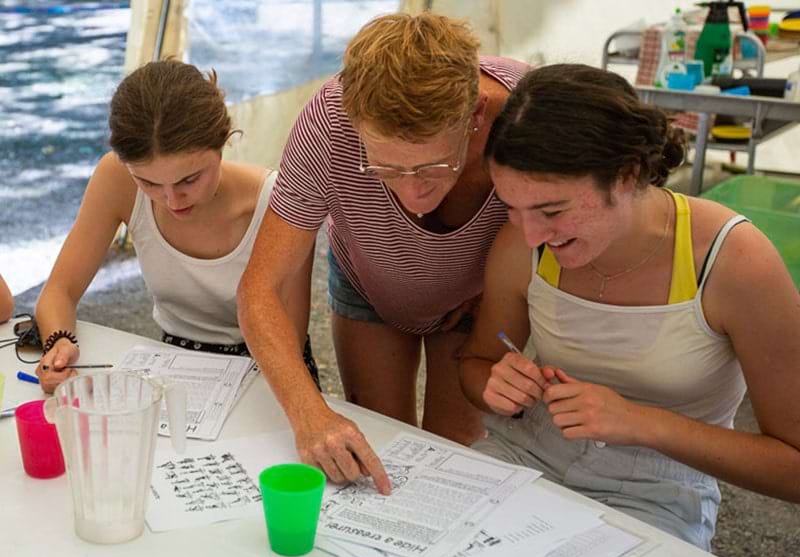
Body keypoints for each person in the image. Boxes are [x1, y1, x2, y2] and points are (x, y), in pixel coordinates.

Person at [459, 64, 800, 549]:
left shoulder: (732, 260)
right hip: (524, 456)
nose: (531, 234)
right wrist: (495, 386)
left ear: (627, 174)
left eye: (553, 211)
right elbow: (476, 364)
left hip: (656, 492)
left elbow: (793, 468)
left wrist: (641, 422)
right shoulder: (522, 244)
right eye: (512, 208)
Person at [239, 12, 527, 493]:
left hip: (476, 296)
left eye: (433, 167)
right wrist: (310, 413)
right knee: (375, 445)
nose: (413, 195)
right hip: (369, 279)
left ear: (476, 116)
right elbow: (259, 288)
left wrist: (506, 293)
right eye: (386, 168)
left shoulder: (527, 110)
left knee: (456, 455)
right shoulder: (329, 121)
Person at [35, 60, 317, 393]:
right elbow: (59, 291)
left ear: (223, 140)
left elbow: (291, 339)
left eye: (189, 179)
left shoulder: (277, 200)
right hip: (171, 363)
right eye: (149, 182)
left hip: (272, 368)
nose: (172, 201)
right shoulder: (116, 178)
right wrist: (58, 344)